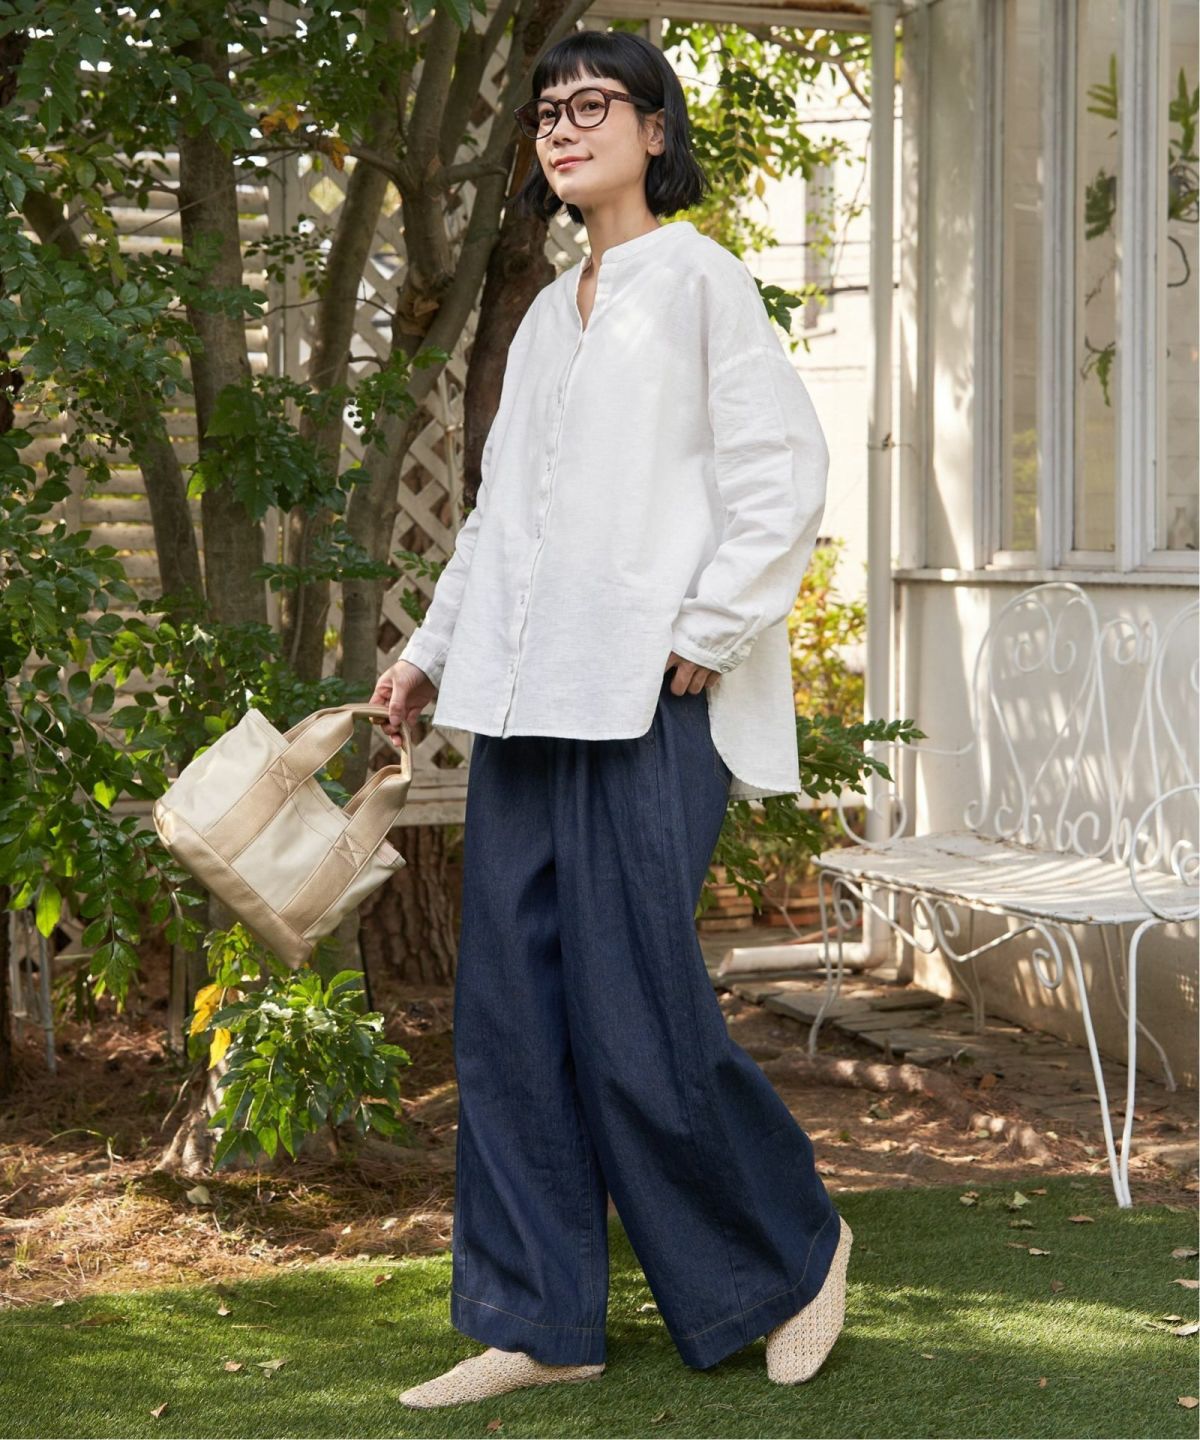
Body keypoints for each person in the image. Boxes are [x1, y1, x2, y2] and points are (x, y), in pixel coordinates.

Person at [370, 28, 852, 1411]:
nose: (564, 127)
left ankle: (794, 1256)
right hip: (525, 704)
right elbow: (497, 521)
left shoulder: (700, 282)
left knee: (640, 1014)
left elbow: (783, 471)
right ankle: (541, 1320)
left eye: (594, 104)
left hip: (648, 701)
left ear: (654, 130)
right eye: (547, 111)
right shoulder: (541, 318)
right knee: (511, 1019)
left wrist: (710, 626)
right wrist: (428, 655)